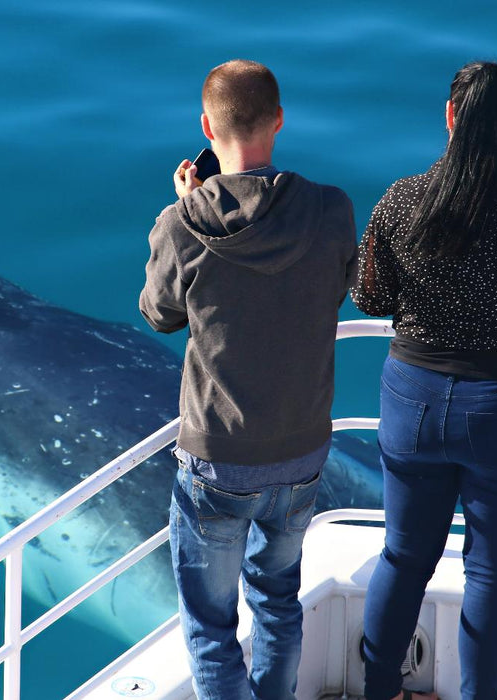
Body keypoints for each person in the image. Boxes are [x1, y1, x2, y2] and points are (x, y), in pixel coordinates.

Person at [352, 61, 497, 700]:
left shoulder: (403, 198)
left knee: (402, 559)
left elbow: (370, 299)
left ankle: (380, 692)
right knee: (492, 576)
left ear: (451, 117)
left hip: (414, 402)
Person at [139, 59, 358, 700]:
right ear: (279, 121)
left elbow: (158, 314)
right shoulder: (330, 208)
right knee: (278, 601)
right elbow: (342, 283)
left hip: (218, 460)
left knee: (210, 627)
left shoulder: (184, 225)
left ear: (207, 127)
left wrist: (185, 208)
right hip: (302, 448)